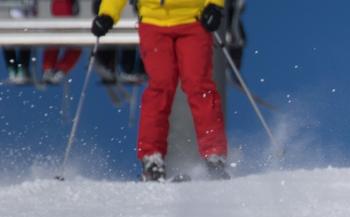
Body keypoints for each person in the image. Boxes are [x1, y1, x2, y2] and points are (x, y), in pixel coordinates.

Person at [91, 0, 229, 181]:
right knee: (160, 87)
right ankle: (151, 158)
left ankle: (214, 156)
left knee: (199, 86)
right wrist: (107, 14)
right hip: (153, 22)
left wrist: (214, 5)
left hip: (193, 20)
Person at [42, 0, 82, 84]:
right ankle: (55, 69)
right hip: (65, 12)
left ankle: (51, 69)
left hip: (63, 11)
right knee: (74, 46)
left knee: (56, 41)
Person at [2, 0, 37, 84]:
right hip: (16, 16)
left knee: (22, 42)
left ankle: (18, 69)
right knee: (15, 42)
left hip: (20, 16)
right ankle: (17, 69)